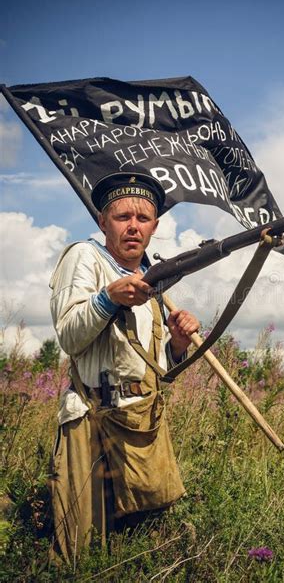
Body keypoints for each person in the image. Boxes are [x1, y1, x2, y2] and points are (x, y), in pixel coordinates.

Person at [49, 173, 199, 562]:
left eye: (143, 218)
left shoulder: (152, 283)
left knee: (143, 542)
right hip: (91, 420)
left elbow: (153, 368)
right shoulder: (84, 257)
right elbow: (68, 336)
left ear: (154, 227)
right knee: (83, 550)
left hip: (140, 422)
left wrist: (177, 346)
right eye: (122, 217)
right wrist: (106, 298)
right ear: (103, 222)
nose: (133, 226)